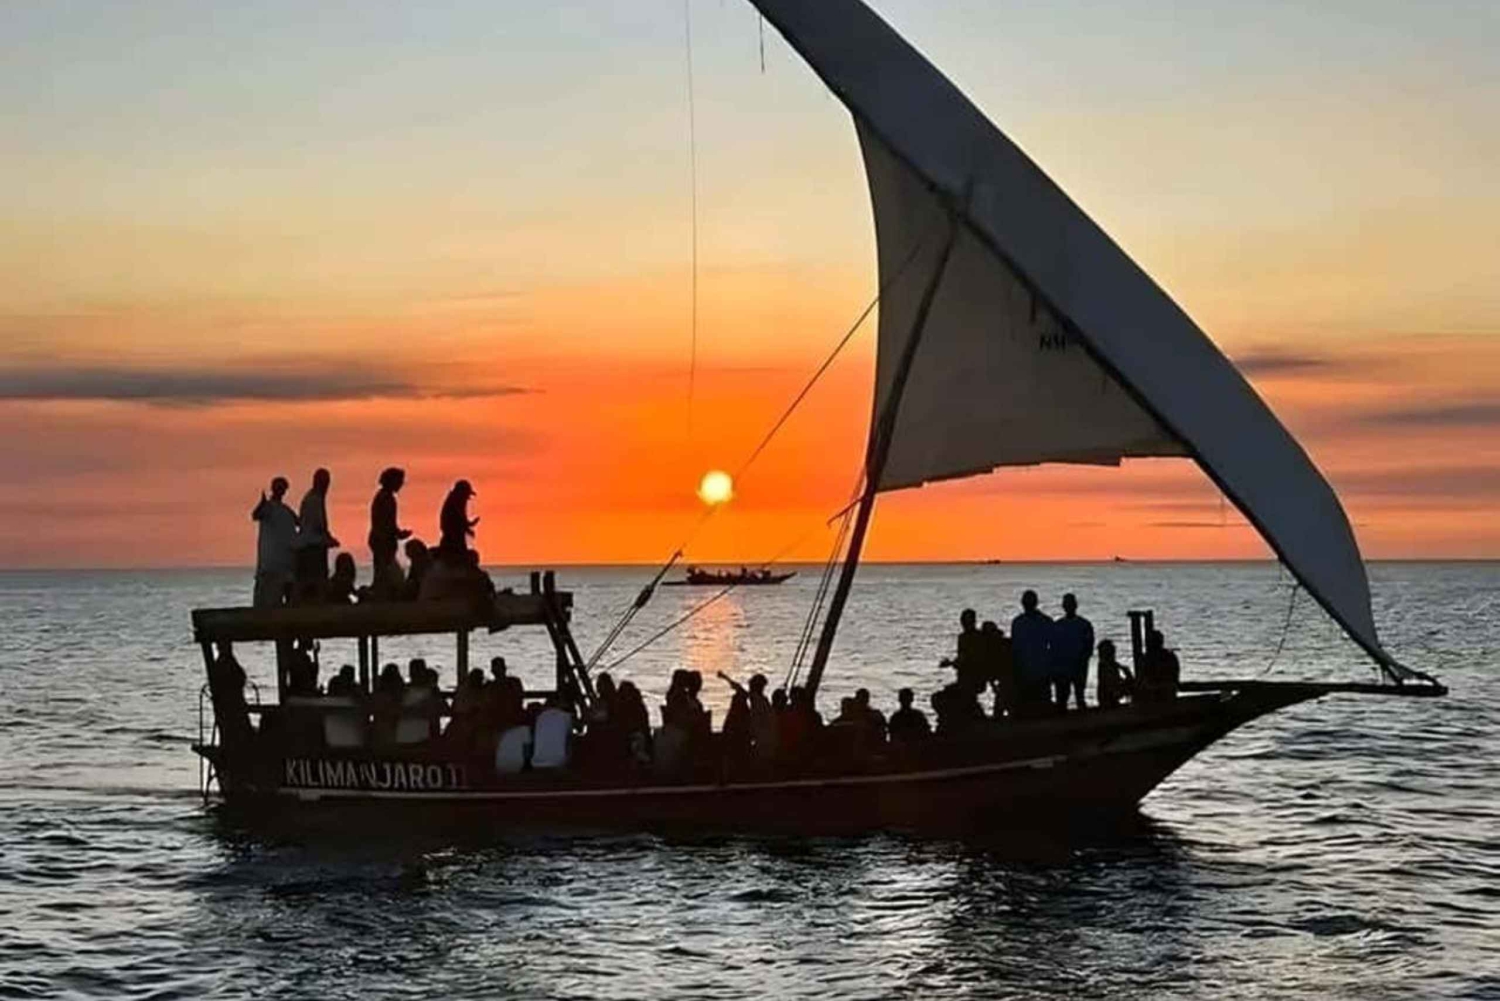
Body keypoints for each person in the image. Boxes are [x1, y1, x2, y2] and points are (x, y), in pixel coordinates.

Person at [251, 476, 298, 607]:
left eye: (282, 488)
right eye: (278, 488)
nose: (280, 491)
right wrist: (262, 504)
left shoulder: (286, 511)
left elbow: (299, 522)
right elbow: (255, 515)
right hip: (269, 568)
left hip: (284, 566)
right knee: (265, 603)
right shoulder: (268, 508)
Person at [294, 468, 339, 599]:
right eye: (325, 483)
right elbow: (318, 525)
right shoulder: (314, 499)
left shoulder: (312, 498)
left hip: (310, 543)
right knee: (317, 578)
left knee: (309, 579)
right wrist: (329, 539)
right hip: (313, 545)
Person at [368, 467, 411, 600]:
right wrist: (398, 534)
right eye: (400, 481)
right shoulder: (386, 498)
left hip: (380, 539)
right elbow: (387, 523)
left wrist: (398, 533)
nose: (401, 484)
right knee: (385, 573)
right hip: (383, 541)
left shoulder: (383, 496)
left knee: (382, 572)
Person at [1010, 589, 1054, 715]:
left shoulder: (1020, 623)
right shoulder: (1019, 623)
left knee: (1040, 705)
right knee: (1028, 706)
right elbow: (1015, 649)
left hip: (1040, 670)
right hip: (1027, 670)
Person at [1051, 593, 1095, 710]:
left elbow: (1088, 647)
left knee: (1078, 697)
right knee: (1064, 699)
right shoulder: (1060, 625)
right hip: (1065, 667)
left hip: (1076, 665)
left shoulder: (1082, 625)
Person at [981, 621, 1018, 720]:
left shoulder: (1000, 646)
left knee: (1004, 705)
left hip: (1009, 678)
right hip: (1006, 679)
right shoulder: (1001, 644)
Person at [438, 479, 480, 559]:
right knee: (458, 555)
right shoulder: (456, 501)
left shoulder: (454, 500)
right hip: (453, 536)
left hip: (453, 534)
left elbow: (460, 519)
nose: (467, 498)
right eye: (467, 494)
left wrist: (469, 525)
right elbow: (459, 519)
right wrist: (468, 527)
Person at [1137, 629, 1181, 703]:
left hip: (1153, 695)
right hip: (1169, 693)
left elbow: (1142, 677)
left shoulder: (1146, 658)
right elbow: (1175, 676)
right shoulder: (1171, 656)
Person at [531, 695, 574, 769]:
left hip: (536, 762)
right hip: (559, 762)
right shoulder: (566, 717)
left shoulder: (539, 718)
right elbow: (570, 736)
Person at [1096, 639, 1135, 709]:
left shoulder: (1111, 665)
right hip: (1108, 694)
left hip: (1112, 692)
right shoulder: (1105, 666)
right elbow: (1111, 683)